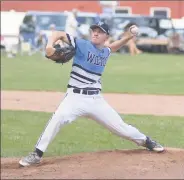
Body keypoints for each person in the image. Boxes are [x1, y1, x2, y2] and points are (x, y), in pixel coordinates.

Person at [19, 21, 164, 167]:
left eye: (99, 31)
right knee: (57, 118)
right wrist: (49, 45)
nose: (95, 33)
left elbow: (113, 47)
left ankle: (146, 141)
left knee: (121, 128)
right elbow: (58, 34)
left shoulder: (105, 51)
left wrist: (128, 37)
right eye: (93, 30)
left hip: (96, 100)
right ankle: (37, 154)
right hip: (74, 98)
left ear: (106, 36)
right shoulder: (81, 44)